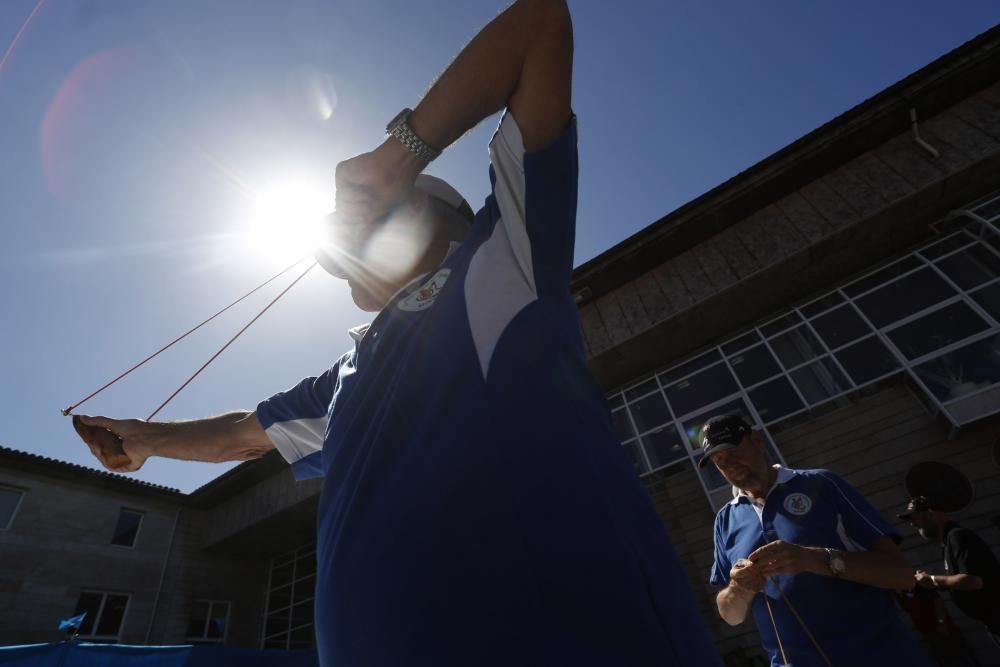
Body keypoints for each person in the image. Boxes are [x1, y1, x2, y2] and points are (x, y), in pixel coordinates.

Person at [72, 2, 722, 664]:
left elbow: (539, 25)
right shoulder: (345, 376)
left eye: (371, 222)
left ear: (440, 216)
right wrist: (147, 438)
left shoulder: (499, 262)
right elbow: (243, 433)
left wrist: (397, 156)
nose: (348, 245)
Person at [703, 414, 933, 666]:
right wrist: (739, 588)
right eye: (720, 461)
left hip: (879, 656)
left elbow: (902, 574)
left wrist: (816, 559)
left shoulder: (821, 483)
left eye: (734, 451)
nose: (731, 464)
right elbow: (731, 616)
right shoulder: (725, 520)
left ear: (757, 440)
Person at [900, 495, 1000, 649]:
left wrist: (932, 580)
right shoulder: (947, 542)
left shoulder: (957, 536)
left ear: (930, 513)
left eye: (915, 518)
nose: (913, 524)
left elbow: (973, 581)